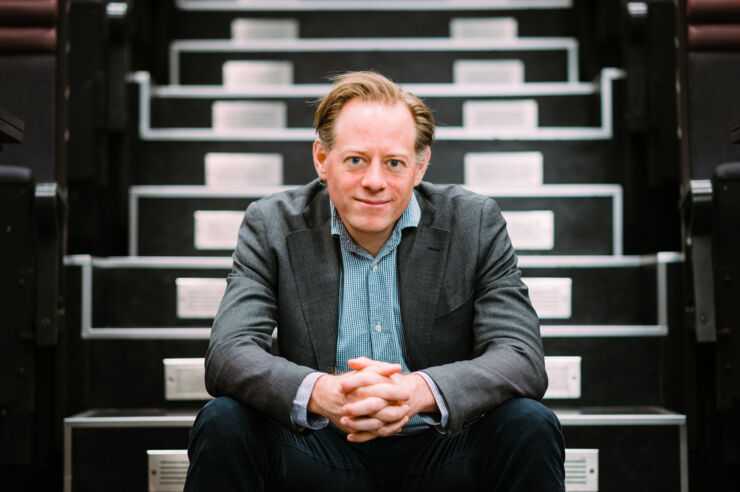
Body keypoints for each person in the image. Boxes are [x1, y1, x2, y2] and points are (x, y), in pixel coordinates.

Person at [185, 71, 565, 491]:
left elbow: (520, 355)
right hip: (317, 447)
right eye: (356, 160)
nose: (374, 181)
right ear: (321, 159)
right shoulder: (271, 224)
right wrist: (320, 393)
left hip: (440, 448)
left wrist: (417, 391)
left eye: (395, 163)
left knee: (530, 421)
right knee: (223, 419)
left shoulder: (474, 223)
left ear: (420, 167)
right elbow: (228, 353)